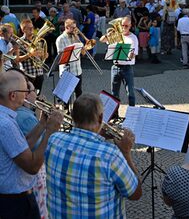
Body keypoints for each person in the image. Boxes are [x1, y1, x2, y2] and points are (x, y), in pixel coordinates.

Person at [45, 93, 142, 218]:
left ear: (73, 116)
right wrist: (126, 152)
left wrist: (99, 134)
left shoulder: (54, 140)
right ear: (101, 118)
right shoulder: (111, 155)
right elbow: (135, 193)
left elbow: (80, 150)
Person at [0, 70, 63, 219]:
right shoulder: (6, 125)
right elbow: (33, 166)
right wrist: (50, 132)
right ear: (13, 95)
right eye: (25, 91)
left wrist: (42, 124)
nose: (27, 94)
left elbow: (24, 145)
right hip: (14, 203)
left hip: (14, 200)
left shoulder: (7, 118)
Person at [16, 79, 48, 219]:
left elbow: (33, 134)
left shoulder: (24, 113)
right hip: (33, 177)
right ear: (26, 95)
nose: (36, 94)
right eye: (34, 91)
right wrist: (51, 130)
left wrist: (41, 118)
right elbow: (41, 148)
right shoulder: (25, 117)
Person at [100, 16, 139, 107]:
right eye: (122, 25)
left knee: (130, 93)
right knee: (114, 93)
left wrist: (128, 54)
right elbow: (102, 40)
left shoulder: (133, 38)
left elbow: (134, 54)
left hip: (127, 67)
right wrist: (107, 35)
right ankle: (115, 114)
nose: (124, 28)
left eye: (126, 26)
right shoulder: (115, 35)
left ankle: (131, 113)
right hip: (115, 67)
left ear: (130, 26)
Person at [56, 19, 85, 98]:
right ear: (67, 27)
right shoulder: (60, 39)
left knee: (79, 93)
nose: (75, 30)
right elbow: (61, 56)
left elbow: (83, 53)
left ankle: (78, 110)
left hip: (77, 70)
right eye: (73, 28)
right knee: (66, 96)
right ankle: (66, 110)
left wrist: (80, 43)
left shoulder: (76, 37)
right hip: (67, 71)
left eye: (75, 28)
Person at [17, 19, 47, 94]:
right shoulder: (19, 42)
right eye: (29, 28)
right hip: (28, 74)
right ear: (23, 30)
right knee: (28, 96)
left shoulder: (38, 40)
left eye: (32, 27)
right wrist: (30, 54)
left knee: (38, 96)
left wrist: (44, 55)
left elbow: (41, 57)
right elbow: (17, 60)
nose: (32, 29)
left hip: (39, 73)